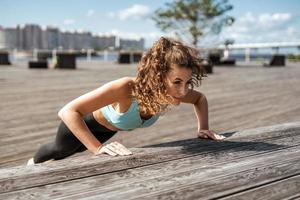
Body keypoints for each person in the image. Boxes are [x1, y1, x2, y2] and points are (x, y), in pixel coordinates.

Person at [27, 37, 225, 165]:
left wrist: (203, 128)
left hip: (109, 129)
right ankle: (32, 164)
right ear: (158, 76)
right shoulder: (127, 88)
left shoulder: (174, 92)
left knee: (75, 152)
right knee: (60, 150)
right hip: (82, 122)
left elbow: (200, 98)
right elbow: (68, 111)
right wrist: (96, 148)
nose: (183, 91)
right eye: (177, 82)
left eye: (188, 82)